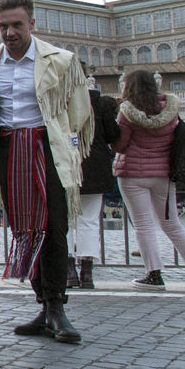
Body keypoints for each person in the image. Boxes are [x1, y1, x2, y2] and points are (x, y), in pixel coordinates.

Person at [0, 0, 90, 343]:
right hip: (8, 152)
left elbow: (78, 115)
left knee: (54, 228)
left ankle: (57, 306)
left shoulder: (62, 61)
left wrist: (65, 147)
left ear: (32, 23)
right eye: (3, 26)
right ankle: (44, 306)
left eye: (17, 25)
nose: (9, 32)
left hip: (47, 150)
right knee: (24, 230)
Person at [113, 70, 185, 291]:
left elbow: (120, 146)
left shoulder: (127, 112)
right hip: (163, 175)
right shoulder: (171, 111)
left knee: (143, 225)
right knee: (172, 224)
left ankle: (154, 275)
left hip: (132, 174)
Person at [68, 71, 117, 289]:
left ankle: (69, 270)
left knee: (65, 221)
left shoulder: (60, 101)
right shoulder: (101, 103)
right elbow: (114, 135)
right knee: (89, 220)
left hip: (67, 164)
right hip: (95, 166)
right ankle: (87, 273)